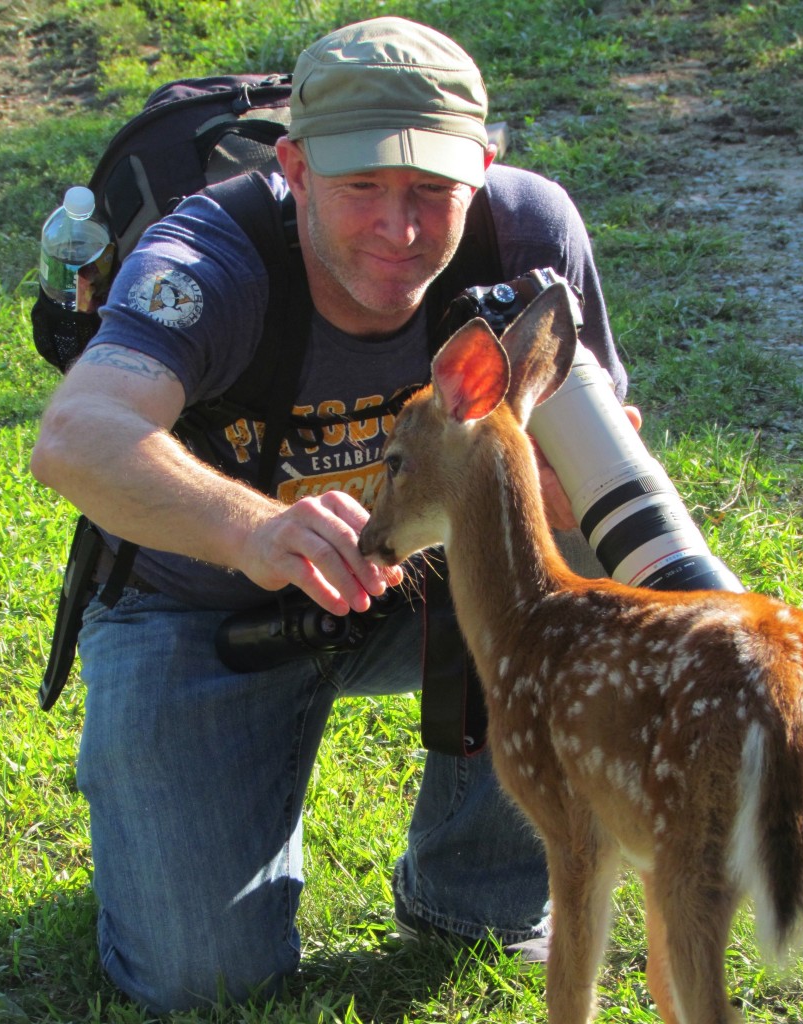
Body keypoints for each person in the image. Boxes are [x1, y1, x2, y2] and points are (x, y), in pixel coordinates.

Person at [31, 16, 634, 1013]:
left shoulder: (529, 233)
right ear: (296, 167)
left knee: (576, 563)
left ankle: (475, 889)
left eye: (431, 191)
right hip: (204, 609)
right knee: (202, 978)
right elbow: (77, 436)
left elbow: (598, 462)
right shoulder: (207, 259)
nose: (398, 230)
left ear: (482, 168)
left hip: (428, 584)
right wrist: (254, 531)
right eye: (361, 189)